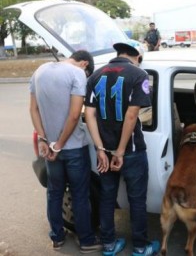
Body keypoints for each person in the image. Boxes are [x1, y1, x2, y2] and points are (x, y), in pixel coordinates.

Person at [84, 42, 160, 256]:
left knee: (107, 197)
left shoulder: (95, 76)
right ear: (137, 56)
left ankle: (108, 245)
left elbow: (89, 114)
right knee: (137, 200)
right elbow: (132, 115)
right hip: (132, 151)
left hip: (104, 152)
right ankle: (140, 247)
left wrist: (100, 149)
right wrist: (120, 151)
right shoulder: (138, 74)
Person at [29, 50, 102, 253]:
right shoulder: (76, 74)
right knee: (80, 194)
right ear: (84, 64)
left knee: (54, 193)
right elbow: (73, 115)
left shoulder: (39, 71)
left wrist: (45, 140)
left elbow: (33, 110)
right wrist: (59, 144)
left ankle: (57, 238)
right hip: (73, 149)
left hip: (51, 150)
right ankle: (86, 240)